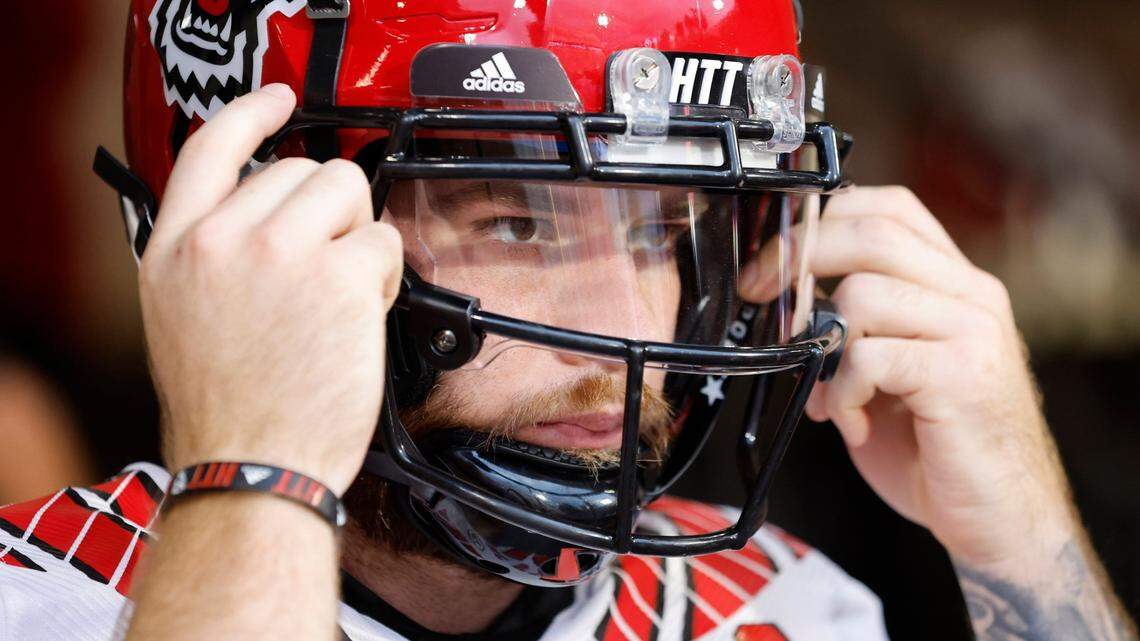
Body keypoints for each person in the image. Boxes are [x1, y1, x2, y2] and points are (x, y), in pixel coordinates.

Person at [1, 1, 1136, 640]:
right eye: (517, 223)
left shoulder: (786, 612)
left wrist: (1026, 546)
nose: (629, 327)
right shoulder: (32, 595)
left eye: (662, 233)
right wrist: (257, 475)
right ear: (239, 219)